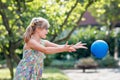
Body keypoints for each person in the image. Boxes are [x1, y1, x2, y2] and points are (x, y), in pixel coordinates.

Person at [13, 17, 87, 80]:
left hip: (35, 73)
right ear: (38, 29)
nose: (47, 31)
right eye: (46, 29)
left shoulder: (43, 42)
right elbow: (46, 50)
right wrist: (64, 49)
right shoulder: (30, 42)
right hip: (25, 73)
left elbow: (59, 46)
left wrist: (72, 46)